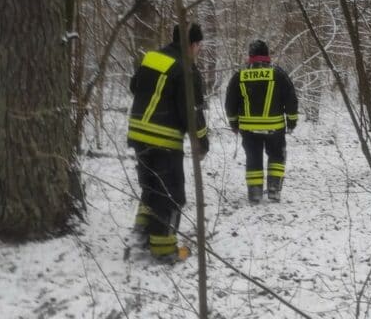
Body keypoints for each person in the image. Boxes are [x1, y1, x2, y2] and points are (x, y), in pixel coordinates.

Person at [127, 23, 209, 259]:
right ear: (193, 45)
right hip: (164, 138)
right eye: (199, 46)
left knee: (151, 187)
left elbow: (135, 86)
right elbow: (191, 112)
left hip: (138, 134)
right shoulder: (186, 69)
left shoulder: (152, 58)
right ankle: (163, 249)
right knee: (171, 192)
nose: (199, 50)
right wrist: (202, 142)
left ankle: (141, 234)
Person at [225, 40, 298, 204]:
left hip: (248, 129)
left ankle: (255, 192)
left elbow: (230, 102)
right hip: (275, 127)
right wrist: (292, 120)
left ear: (250, 56)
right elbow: (291, 99)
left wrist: (234, 123)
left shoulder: (240, 75)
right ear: (267, 55)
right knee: (276, 155)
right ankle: (273, 189)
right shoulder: (278, 73)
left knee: (253, 156)